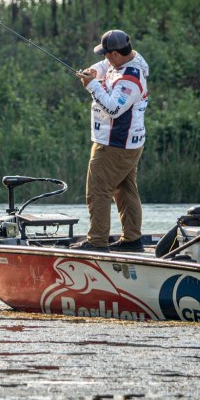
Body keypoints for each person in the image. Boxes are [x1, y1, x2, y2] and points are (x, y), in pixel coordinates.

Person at [71, 29, 150, 252]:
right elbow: (106, 66)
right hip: (128, 143)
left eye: (106, 53)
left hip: (115, 144)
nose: (105, 57)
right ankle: (132, 240)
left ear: (116, 54)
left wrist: (92, 85)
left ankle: (97, 242)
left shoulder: (130, 80)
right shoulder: (128, 59)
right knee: (125, 190)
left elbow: (114, 108)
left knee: (98, 191)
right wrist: (93, 71)